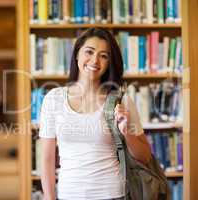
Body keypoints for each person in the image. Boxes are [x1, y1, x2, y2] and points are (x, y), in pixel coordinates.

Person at [39, 28, 152, 200]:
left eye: (104, 56)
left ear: (109, 63)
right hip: (68, 194)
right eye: (89, 52)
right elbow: (47, 159)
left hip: (112, 194)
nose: (95, 60)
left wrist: (126, 132)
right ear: (77, 54)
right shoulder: (53, 99)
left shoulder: (121, 101)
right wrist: (49, 197)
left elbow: (144, 157)